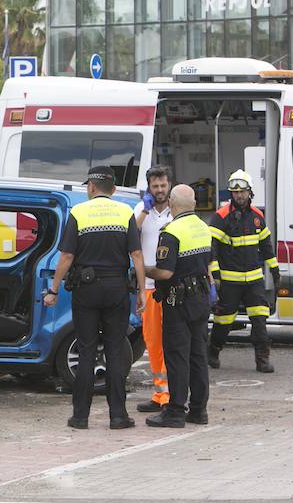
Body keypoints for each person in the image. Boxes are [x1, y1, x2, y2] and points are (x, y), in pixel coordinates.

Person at [44, 166, 146, 430]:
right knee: (114, 351)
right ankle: (118, 416)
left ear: (91, 187)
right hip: (116, 289)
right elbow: (136, 255)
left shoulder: (78, 212)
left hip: (86, 290)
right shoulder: (125, 213)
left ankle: (80, 417)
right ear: (113, 189)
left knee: (87, 351)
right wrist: (142, 291)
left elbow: (66, 257)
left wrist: (54, 289)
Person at [143, 185, 213, 428]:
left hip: (178, 300)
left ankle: (174, 412)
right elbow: (208, 266)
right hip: (201, 299)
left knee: (176, 356)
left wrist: (144, 270)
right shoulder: (204, 228)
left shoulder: (171, 231)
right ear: (193, 204)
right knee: (198, 356)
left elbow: (165, 272)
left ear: (172, 203)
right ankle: (198, 411)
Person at [208, 170, 280, 373]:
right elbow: (211, 247)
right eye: (235, 192)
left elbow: (266, 246)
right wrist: (216, 274)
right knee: (224, 321)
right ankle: (213, 350)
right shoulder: (221, 216)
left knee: (259, 319)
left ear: (250, 192)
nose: (239, 196)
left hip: (254, 279)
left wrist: (274, 270)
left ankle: (262, 359)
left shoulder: (258, 216)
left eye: (242, 192)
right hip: (229, 281)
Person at [133, 166, 173, 413]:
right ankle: (161, 394)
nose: (159, 190)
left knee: (173, 342)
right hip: (148, 286)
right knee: (153, 342)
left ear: (169, 185)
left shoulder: (177, 210)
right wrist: (145, 210)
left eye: (163, 185)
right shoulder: (140, 210)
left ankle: (173, 394)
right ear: (149, 187)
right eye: (155, 186)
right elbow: (129, 236)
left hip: (171, 286)